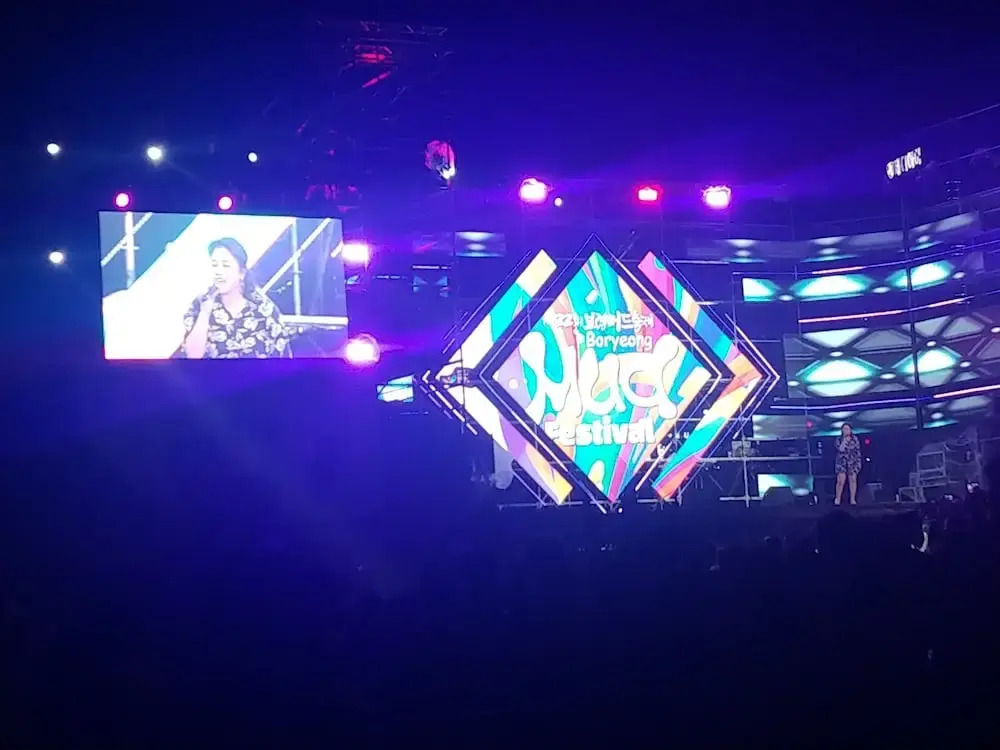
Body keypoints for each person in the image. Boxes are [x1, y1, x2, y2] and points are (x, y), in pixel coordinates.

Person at [182, 238, 290, 359]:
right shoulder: (200, 304)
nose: (218, 272)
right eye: (215, 265)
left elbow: (282, 357)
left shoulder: (263, 309)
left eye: (225, 265)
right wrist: (204, 313)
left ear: (242, 273)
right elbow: (193, 356)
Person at [834, 422, 862, 506]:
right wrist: (845, 441)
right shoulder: (838, 439)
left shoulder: (855, 439)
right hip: (841, 462)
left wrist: (858, 463)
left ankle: (852, 499)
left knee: (853, 480)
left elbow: (856, 451)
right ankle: (838, 499)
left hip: (852, 461)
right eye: (844, 429)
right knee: (840, 481)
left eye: (847, 429)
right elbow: (841, 449)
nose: (846, 430)